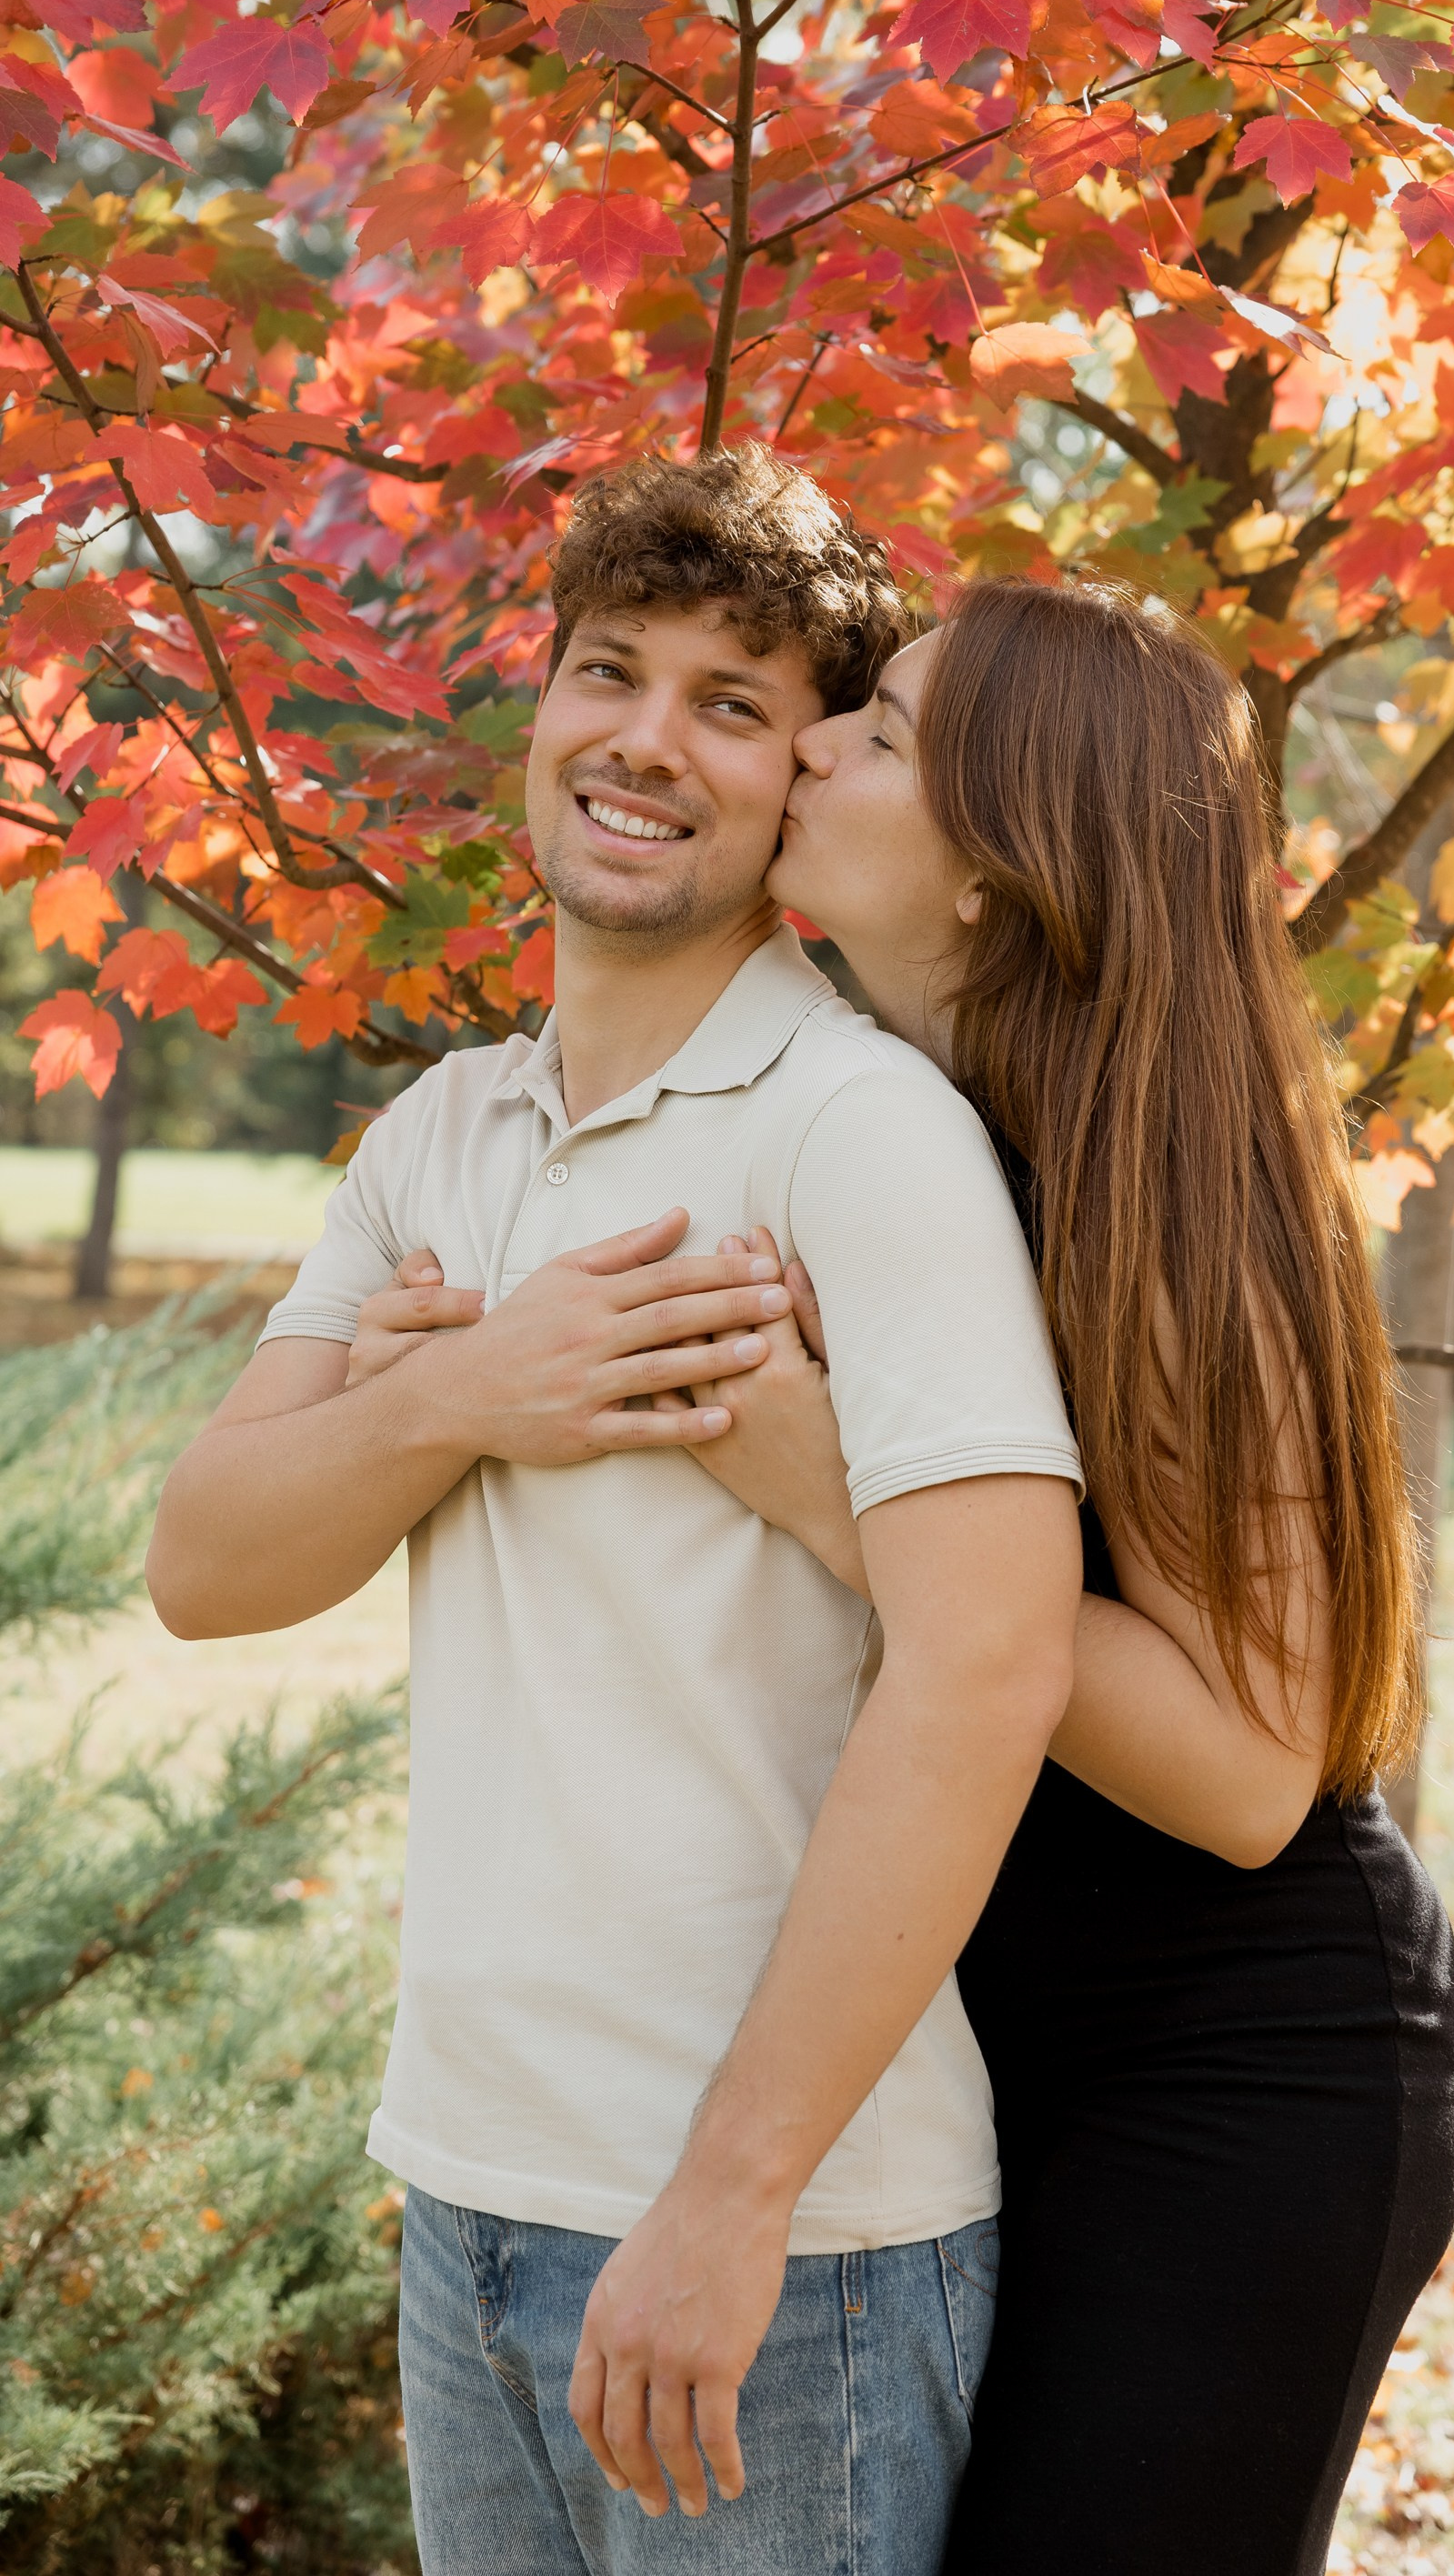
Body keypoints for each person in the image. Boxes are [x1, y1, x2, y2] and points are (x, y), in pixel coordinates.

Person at [372, 577, 1454, 2573]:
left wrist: (840, 1502)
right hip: (982, 2038)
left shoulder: (1169, 1189)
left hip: (1236, 2060)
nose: (807, 744)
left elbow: (1250, 1773)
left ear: (994, 868)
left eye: (874, 733)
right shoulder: (890, 1129)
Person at [145, 451, 1088, 2576]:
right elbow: (205, 1565)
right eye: (609, 673)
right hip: (465, 2185)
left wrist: (733, 2201)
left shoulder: (860, 1132)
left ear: (797, 784)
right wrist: (463, 1396)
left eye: (732, 705)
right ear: (543, 705)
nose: (647, 741)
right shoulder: (439, 1131)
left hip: (788, 2252)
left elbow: (988, 1666)